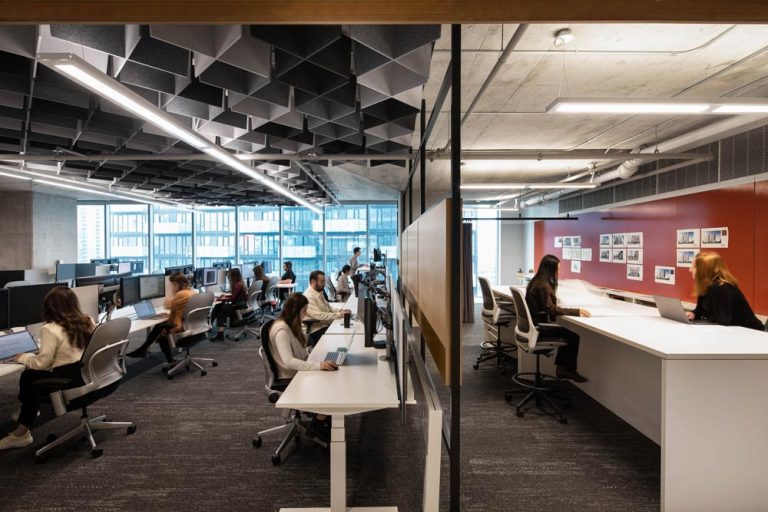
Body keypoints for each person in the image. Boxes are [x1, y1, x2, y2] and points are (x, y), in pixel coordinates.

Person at [0, 287, 94, 450]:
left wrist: (23, 357)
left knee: (29, 377)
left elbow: (41, 364)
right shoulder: (87, 320)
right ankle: (27, 411)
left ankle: (22, 433)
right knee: (31, 376)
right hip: (85, 373)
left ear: (50, 307)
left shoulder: (49, 329)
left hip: (68, 382)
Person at [269, 293, 337, 440]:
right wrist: (318, 365)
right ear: (296, 310)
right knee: (330, 385)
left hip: (298, 370)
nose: (306, 314)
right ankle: (318, 424)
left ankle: (322, 420)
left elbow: (299, 350)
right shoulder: (281, 330)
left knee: (331, 377)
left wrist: (313, 353)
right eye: (304, 310)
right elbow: (289, 361)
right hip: (290, 375)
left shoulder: (291, 325)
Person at [525, 254, 591, 383]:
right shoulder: (543, 286)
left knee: (566, 333)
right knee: (573, 337)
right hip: (539, 328)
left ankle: (563, 369)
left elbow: (546, 305)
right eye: (558, 269)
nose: (559, 272)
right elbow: (551, 309)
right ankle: (565, 370)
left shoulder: (536, 281)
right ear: (550, 269)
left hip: (532, 325)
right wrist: (576, 311)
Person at [126, 272, 195, 362]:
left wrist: (173, 293)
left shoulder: (180, 295)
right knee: (160, 326)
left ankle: (169, 360)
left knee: (161, 331)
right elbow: (180, 311)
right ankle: (142, 350)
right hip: (193, 327)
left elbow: (167, 305)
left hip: (183, 329)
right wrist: (170, 314)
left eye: (171, 285)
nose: (170, 287)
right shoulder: (191, 292)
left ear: (175, 284)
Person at [686, 251, 764, 330]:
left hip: (750, 333)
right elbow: (701, 310)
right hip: (734, 331)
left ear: (706, 269)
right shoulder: (705, 285)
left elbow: (723, 321)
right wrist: (694, 314)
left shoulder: (721, 288)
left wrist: (705, 317)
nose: (690, 269)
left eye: (694, 267)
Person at [304, 270, 351, 346]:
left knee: (345, 329)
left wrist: (341, 310)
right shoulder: (308, 297)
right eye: (322, 282)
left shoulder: (318, 292)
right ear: (313, 282)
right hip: (316, 329)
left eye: (324, 281)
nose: (324, 284)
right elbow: (319, 316)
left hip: (325, 324)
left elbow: (329, 308)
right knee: (342, 336)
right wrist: (339, 315)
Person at [209, 267, 248, 341]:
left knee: (221, 310)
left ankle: (219, 334)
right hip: (239, 303)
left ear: (233, 276)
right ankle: (210, 324)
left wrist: (220, 299)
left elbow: (233, 298)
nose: (228, 276)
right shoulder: (239, 283)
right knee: (218, 306)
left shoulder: (238, 285)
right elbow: (234, 296)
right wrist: (225, 296)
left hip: (238, 305)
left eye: (229, 275)